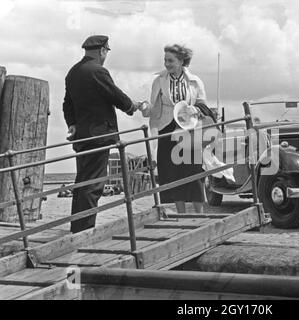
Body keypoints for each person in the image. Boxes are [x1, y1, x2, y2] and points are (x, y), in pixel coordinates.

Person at [63, 35, 140, 233]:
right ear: (103, 51)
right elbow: (114, 94)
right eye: (106, 52)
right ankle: (85, 231)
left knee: (82, 182)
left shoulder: (73, 72)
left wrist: (71, 123)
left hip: (82, 137)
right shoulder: (97, 71)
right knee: (94, 184)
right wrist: (131, 106)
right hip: (99, 136)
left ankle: (77, 227)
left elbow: (67, 103)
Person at [140, 44, 212, 214]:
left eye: (170, 60)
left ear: (181, 61)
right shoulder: (159, 81)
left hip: (189, 128)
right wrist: (144, 108)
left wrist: (196, 109)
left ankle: (199, 215)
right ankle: (182, 215)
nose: (166, 64)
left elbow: (203, 104)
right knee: (173, 173)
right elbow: (153, 107)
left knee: (194, 170)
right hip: (167, 128)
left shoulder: (195, 81)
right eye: (165, 60)